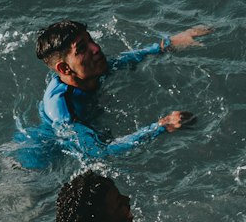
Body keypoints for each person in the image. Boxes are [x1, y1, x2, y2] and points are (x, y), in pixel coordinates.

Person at [23, 18, 211, 162]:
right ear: (64, 69)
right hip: (38, 162)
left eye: (91, 41)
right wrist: (161, 127)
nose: (96, 49)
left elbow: (125, 60)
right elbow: (98, 152)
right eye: (82, 49)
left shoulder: (92, 70)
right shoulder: (62, 107)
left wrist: (168, 45)